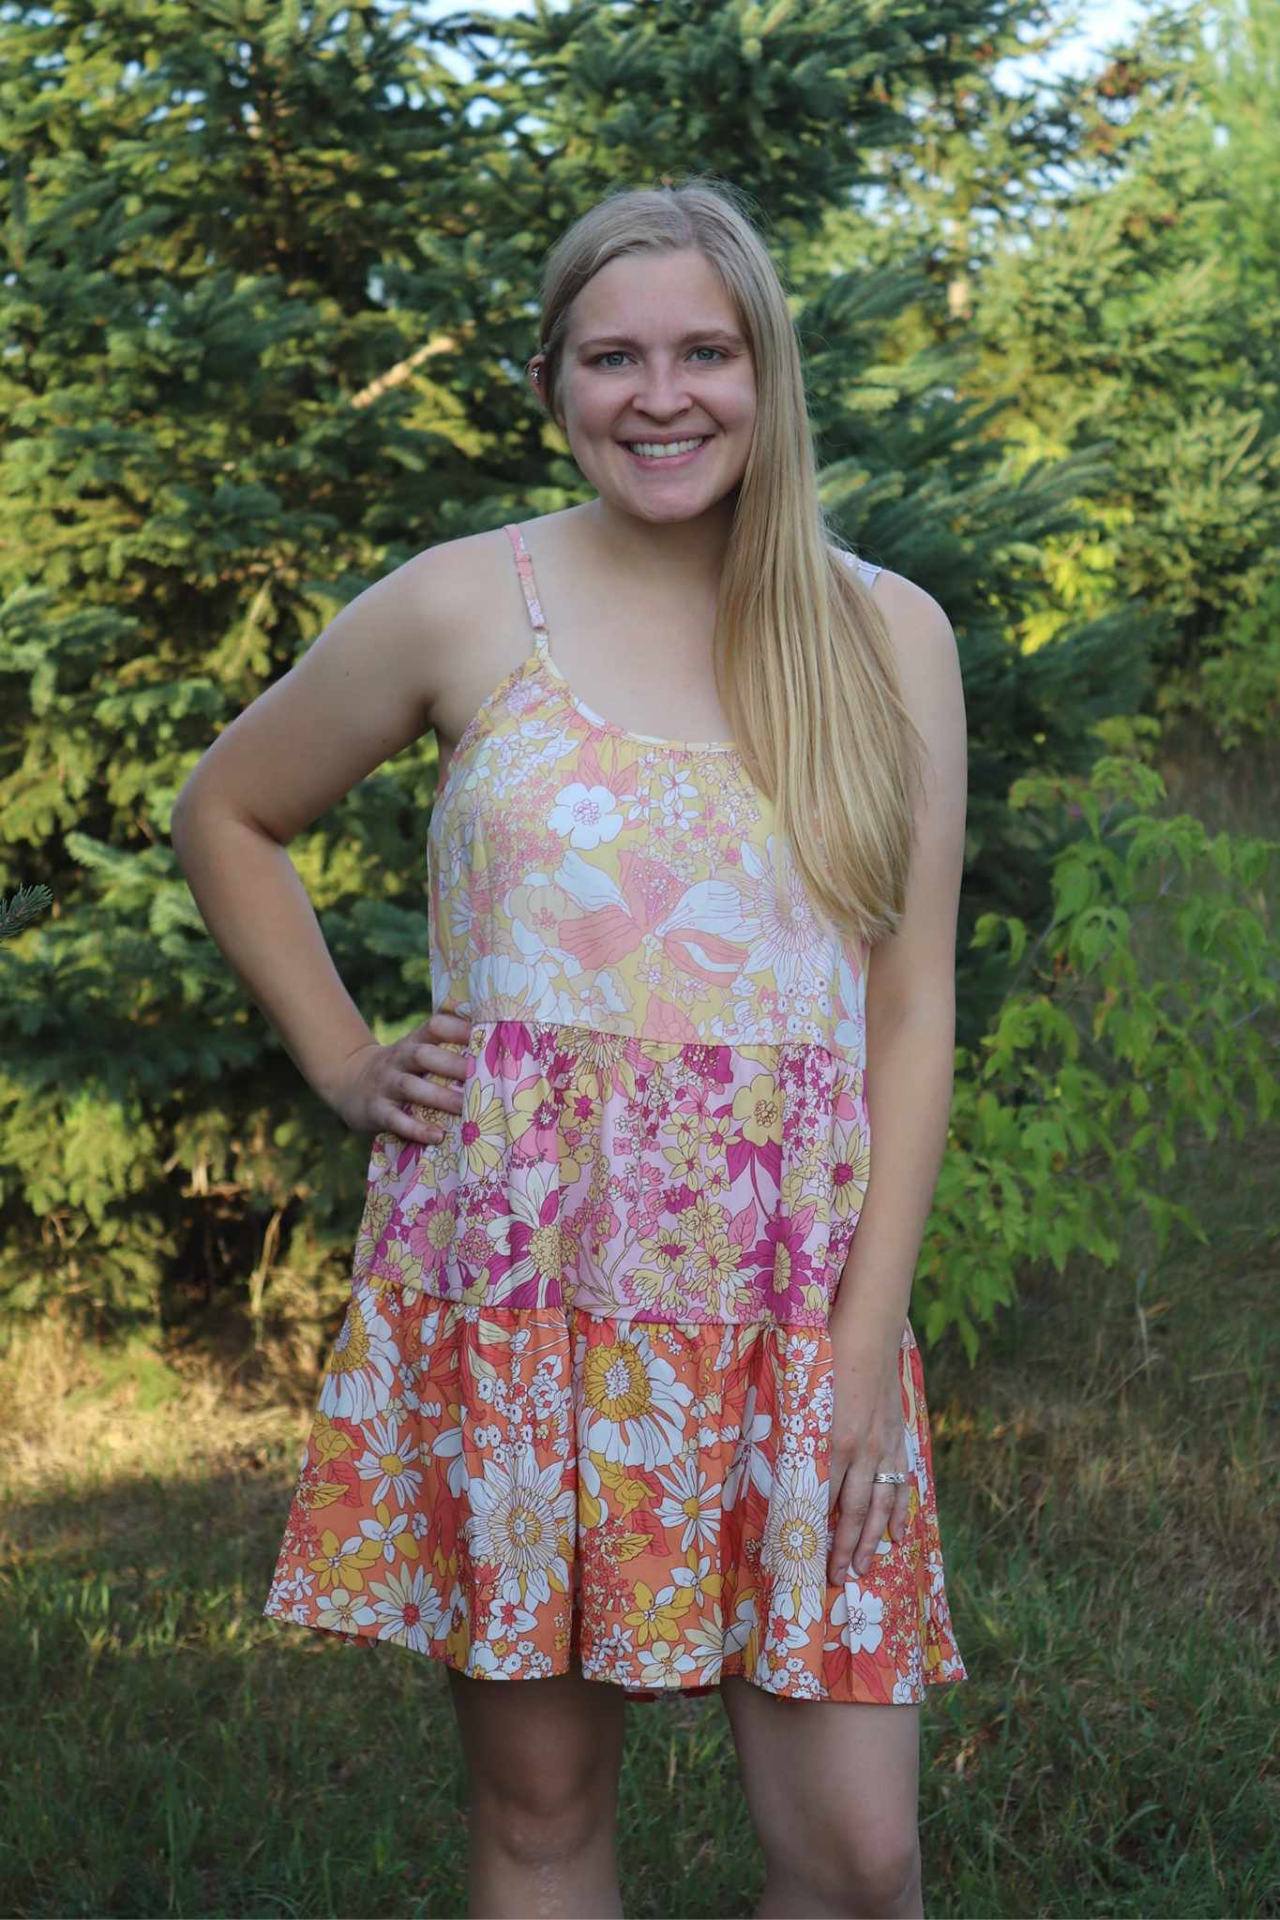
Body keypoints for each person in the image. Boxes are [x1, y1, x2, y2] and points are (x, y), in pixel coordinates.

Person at [172, 176, 969, 1920]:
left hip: (789, 1304)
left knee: (860, 1854)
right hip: (521, 1292)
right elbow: (230, 810)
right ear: (552, 384)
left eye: (704, 351)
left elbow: (909, 1014)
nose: (660, 394)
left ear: (768, 372)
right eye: (612, 356)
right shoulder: (466, 605)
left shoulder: (884, 634)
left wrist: (864, 1342)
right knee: (541, 1821)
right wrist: (340, 1059)